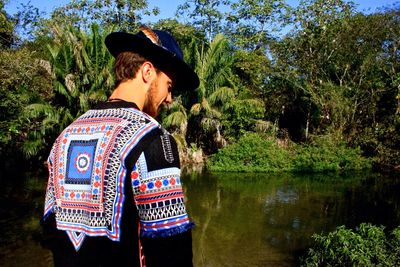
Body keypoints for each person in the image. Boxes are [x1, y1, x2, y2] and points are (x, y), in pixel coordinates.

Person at [41, 25, 199, 267]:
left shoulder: (65, 136)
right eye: (169, 86)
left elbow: (52, 227)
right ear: (147, 72)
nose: (169, 99)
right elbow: (172, 248)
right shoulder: (152, 138)